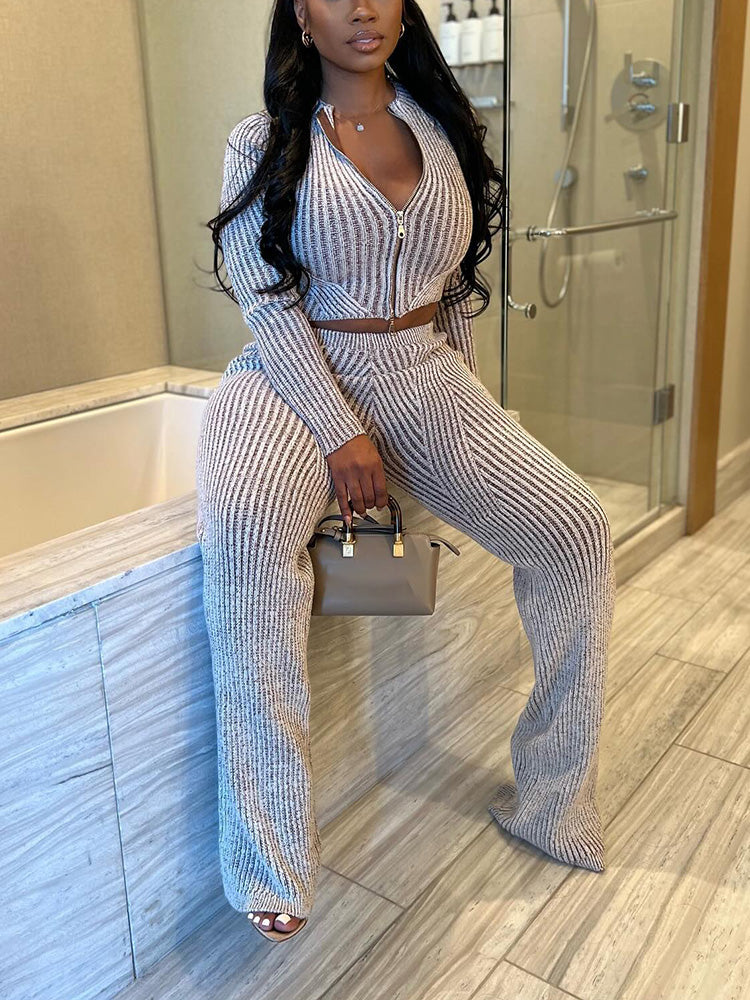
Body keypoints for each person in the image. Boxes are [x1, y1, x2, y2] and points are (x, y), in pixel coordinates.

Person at [196, 0, 617, 943]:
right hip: (293, 379)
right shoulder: (262, 140)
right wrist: (340, 429)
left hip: (423, 371)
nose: (362, 7)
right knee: (247, 536)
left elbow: (453, 284)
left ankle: (555, 800)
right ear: (301, 14)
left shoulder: (439, 123)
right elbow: (264, 296)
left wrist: (472, 408)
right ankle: (270, 855)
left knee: (577, 531)